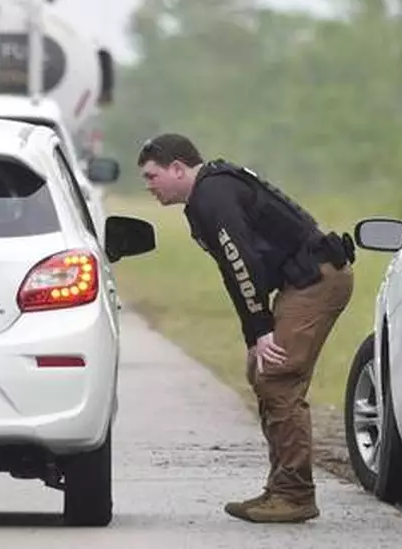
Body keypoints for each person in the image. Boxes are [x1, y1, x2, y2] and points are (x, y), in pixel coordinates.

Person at [137, 133, 355, 524]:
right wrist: (254, 335)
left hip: (316, 279)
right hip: (300, 280)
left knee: (278, 377)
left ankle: (294, 495)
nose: (148, 186)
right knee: (263, 371)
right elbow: (234, 270)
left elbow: (243, 262)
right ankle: (280, 488)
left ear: (177, 168)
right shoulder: (207, 193)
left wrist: (261, 329)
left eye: (152, 176)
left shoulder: (212, 196)